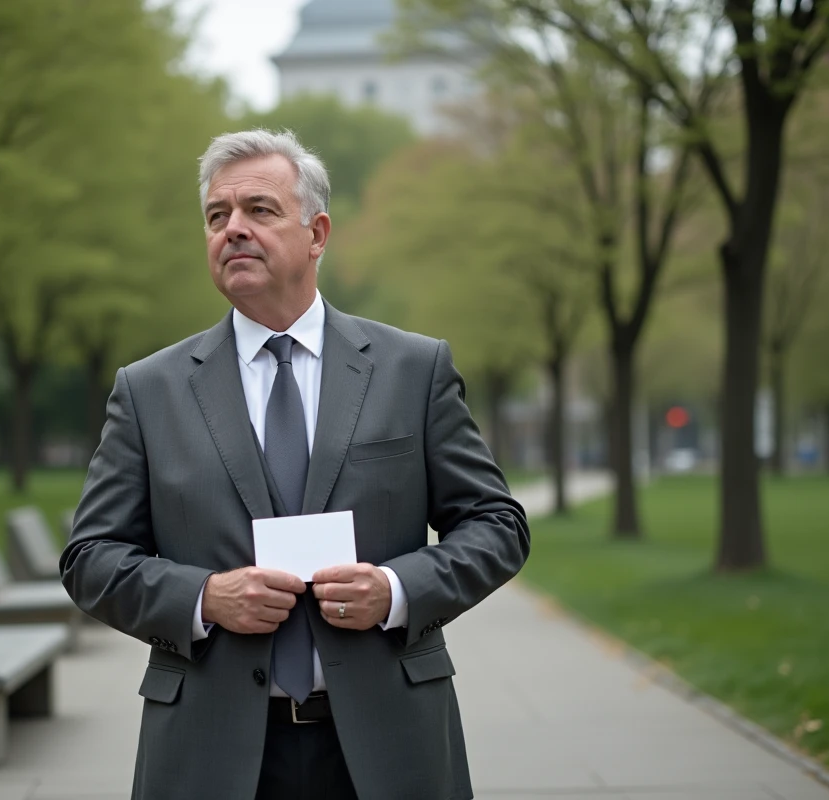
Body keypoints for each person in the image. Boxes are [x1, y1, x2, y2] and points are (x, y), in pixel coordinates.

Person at [60, 129, 529, 800]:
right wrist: (203, 598)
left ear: (317, 233)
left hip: (386, 745)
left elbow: (496, 524)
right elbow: (90, 558)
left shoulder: (412, 370)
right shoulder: (148, 390)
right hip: (209, 752)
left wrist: (395, 591)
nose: (234, 230)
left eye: (259, 210)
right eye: (217, 217)